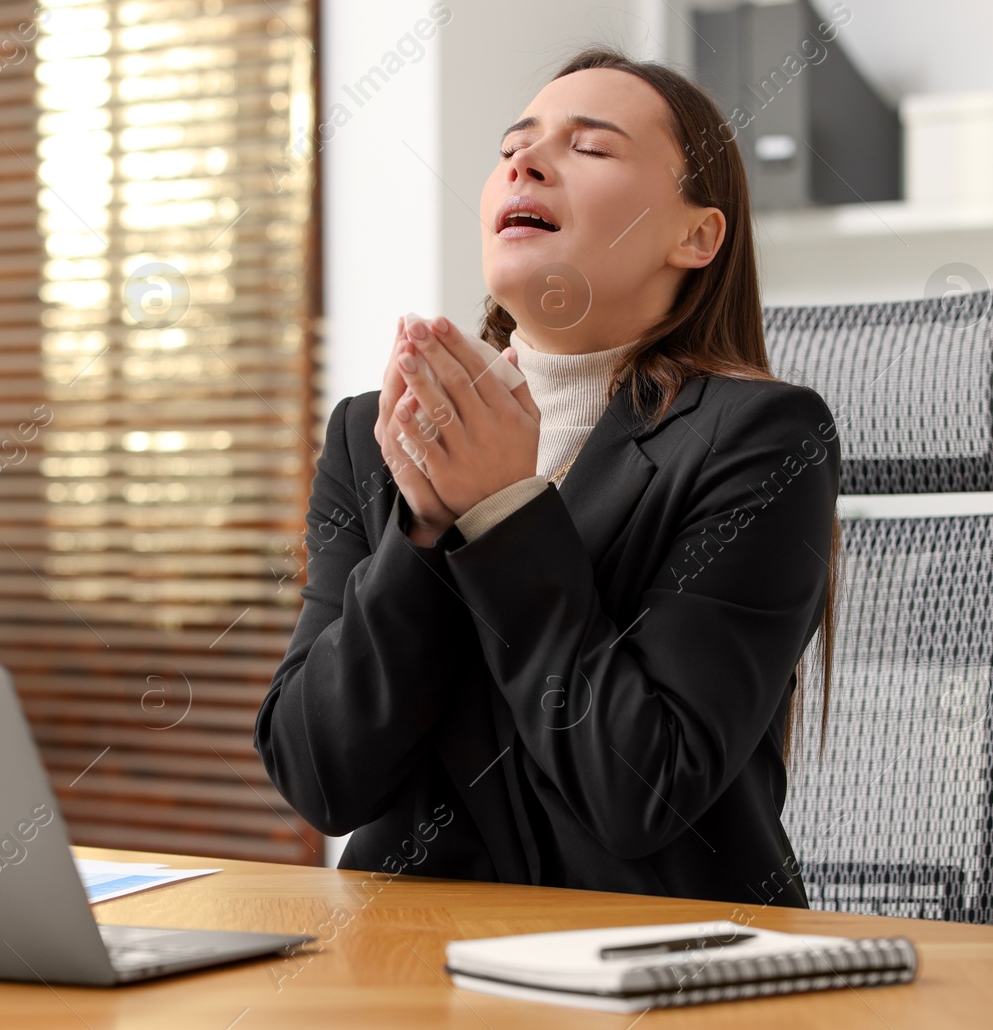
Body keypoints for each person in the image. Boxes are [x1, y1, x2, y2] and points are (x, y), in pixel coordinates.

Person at [254, 46, 841, 908]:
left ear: (696, 234)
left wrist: (503, 515)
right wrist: (420, 530)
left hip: (662, 971)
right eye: (511, 149)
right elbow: (321, 777)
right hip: (410, 973)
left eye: (591, 147)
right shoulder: (371, 434)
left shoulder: (760, 438)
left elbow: (641, 791)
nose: (525, 162)